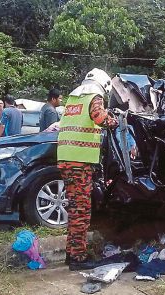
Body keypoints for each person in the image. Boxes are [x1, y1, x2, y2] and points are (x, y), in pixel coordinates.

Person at [58, 68, 117, 271]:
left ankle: (71, 252)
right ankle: (78, 258)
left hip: (67, 158)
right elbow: (99, 117)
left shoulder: (74, 97)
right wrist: (115, 121)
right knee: (81, 211)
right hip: (80, 161)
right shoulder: (95, 95)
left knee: (75, 208)